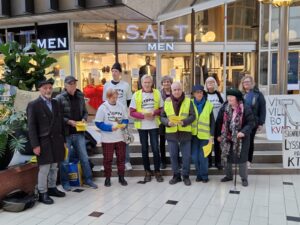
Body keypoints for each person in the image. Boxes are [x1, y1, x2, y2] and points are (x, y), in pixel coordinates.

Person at [27, 79, 66, 204]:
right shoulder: (33, 105)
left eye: (50, 88)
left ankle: (52, 188)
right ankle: (42, 193)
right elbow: (31, 127)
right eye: (45, 88)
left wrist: (63, 140)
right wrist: (35, 145)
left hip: (57, 140)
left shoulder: (56, 103)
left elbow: (60, 123)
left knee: (54, 166)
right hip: (43, 142)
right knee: (44, 168)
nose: (48, 90)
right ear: (40, 89)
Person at [56, 75, 98, 191]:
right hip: (66, 134)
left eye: (74, 83)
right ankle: (65, 183)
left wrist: (84, 118)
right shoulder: (59, 98)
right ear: (65, 85)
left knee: (84, 157)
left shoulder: (80, 96)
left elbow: (85, 112)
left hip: (79, 133)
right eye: (70, 84)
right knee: (65, 160)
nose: (73, 86)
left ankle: (88, 179)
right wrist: (68, 121)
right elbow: (58, 116)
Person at [215, 88, 255, 187]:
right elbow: (219, 122)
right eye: (228, 96)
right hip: (227, 137)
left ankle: (244, 178)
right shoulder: (224, 107)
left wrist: (243, 132)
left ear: (237, 98)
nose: (229, 98)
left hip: (241, 138)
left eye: (231, 97)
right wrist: (218, 135)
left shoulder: (245, 108)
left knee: (241, 158)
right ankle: (228, 175)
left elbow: (251, 123)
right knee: (227, 155)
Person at [130, 75, 164, 183]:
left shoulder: (157, 93)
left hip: (154, 125)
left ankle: (157, 171)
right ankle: (147, 171)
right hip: (142, 126)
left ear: (152, 82)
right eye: (145, 82)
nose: (147, 84)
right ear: (141, 83)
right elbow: (132, 112)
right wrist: (144, 116)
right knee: (144, 149)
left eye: (149, 82)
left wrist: (154, 113)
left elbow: (162, 108)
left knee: (155, 148)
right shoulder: (136, 94)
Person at [161, 82, 195, 186]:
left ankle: (185, 176)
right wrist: (167, 122)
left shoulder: (189, 101)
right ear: (171, 91)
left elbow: (193, 116)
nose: (177, 91)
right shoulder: (166, 102)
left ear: (182, 89)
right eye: (174, 90)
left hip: (185, 133)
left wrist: (184, 122)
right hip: (172, 134)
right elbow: (162, 117)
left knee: (186, 157)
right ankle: (176, 175)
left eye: (179, 89)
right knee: (173, 156)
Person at [95, 89, 128, 187]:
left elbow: (125, 119)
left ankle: (121, 177)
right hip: (107, 139)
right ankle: (107, 178)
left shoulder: (121, 106)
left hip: (120, 138)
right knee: (108, 160)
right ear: (108, 97)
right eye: (113, 97)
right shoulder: (102, 108)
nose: (115, 99)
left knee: (121, 159)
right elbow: (98, 123)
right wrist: (109, 128)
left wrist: (124, 125)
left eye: (116, 97)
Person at [103, 62, 133, 170]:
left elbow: (129, 100)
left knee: (125, 139)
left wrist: (124, 111)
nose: (114, 73)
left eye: (116, 71)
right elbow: (104, 101)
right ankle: (109, 162)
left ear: (120, 73)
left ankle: (126, 161)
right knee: (109, 140)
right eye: (113, 71)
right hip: (110, 117)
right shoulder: (106, 85)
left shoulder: (125, 85)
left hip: (122, 117)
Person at [239, 75, 266, 168]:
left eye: (248, 82)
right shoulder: (240, 94)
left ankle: (248, 161)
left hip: (253, 122)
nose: (246, 83)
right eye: (244, 82)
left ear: (252, 83)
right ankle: (242, 159)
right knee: (243, 141)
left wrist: (261, 123)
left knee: (249, 141)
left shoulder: (258, 94)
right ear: (242, 84)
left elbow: (262, 109)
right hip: (241, 122)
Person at [191, 85, 214, 183]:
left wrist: (211, 136)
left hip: (205, 136)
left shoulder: (208, 104)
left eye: (200, 92)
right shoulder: (189, 103)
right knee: (195, 157)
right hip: (193, 135)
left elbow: (212, 122)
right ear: (193, 94)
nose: (199, 94)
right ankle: (198, 174)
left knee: (203, 157)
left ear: (203, 93)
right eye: (197, 92)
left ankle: (204, 176)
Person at [204, 76, 225, 170]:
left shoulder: (221, 95)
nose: (210, 84)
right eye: (208, 82)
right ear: (206, 85)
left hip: (219, 123)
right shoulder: (204, 96)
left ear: (215, 83)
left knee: (218, 142)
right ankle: (208, 161)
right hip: (208, 123)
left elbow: (224, 108)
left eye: (212, 82)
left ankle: (218, 162)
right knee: (208, 142)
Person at [159, 75, 173, 169]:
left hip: (173, 120)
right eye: (164, 82)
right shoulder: (158, 93)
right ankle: (163, 161)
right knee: (162, 142)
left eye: (168, 81)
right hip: (162, 120)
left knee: (173, 141)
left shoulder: (175, 92)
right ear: (162, 84)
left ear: (171, 83)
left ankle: (175, 160)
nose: (166, 83)